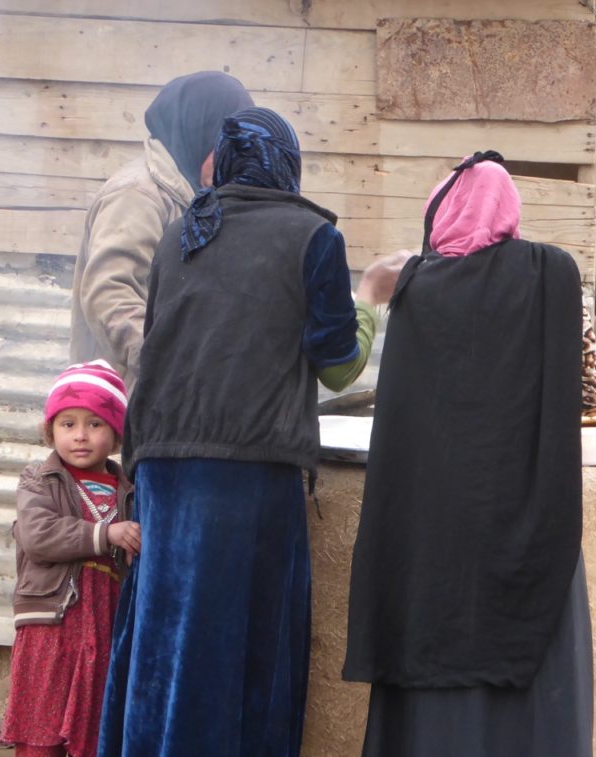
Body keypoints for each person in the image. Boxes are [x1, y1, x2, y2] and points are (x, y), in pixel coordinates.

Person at [98, 107, 409, 757]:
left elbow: (155, 347)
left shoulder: (183, 232)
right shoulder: (311, 235)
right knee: (236, 645)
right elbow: (337, 364)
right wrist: (372, 297)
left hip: (159, 462)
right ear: (287, 164)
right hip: (247, 470)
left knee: (164, 636)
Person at [343, 152, 596, 757]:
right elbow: (585, 389)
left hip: (433, 550)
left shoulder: (416, 290)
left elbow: (401, 419)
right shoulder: (553, 275)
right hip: (530, 528)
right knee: (532, 654)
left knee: (434, 657)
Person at [69, 71, 254, 393]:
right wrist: (170, 364)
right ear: (198, 132)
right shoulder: (138, 195)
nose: (233, 158)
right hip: (127, 400)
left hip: (173, 394)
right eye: (224, 144)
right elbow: (109, 294)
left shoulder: (197, 194)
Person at [1, 360, 140, 757]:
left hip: (106, 620)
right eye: (68, 424)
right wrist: (106, 534)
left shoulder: (129, 488)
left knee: (94, 725)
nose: (80, 436)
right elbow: (37, 535)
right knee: (41, 724)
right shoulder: (37, 480)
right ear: (50, 431)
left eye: (95, 424)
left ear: (115, 433)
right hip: (51, 622)